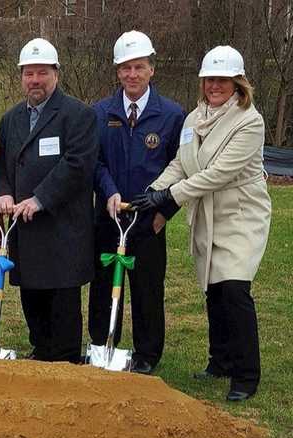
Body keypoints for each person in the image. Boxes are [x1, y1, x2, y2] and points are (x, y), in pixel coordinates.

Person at [133, 46, 271, 401]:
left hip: (240, 212)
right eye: (209, 79)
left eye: (222, 80)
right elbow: (182, 163)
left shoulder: (249, 121)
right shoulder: (195, 118)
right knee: (214, 287)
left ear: (238, 83)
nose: (214, 86)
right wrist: (151, 191)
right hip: (207, 212)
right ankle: (220, 360)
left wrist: (169, 197)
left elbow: (219, 173)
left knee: (234, 287)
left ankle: (245, 375)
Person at [0, 38, 98, 363]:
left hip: (63, 225)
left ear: (56, 73)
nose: (34, 80)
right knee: (32, 293)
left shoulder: (78, 115)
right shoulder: (11, 119)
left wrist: (40, 199)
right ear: (21, 76)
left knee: (62, 294)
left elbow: (77, 165)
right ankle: (41, 352)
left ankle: (66, 358)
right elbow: (3, 165)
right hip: (25, 227)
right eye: (28, 74)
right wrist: (4, 191)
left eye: (41, 73)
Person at [88, 31, 185, 374]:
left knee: (147, 290)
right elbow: (95, 161)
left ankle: (146, 354)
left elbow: (183, 167)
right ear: (117, 71)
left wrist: (164, 212)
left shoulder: (172, 115)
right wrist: (110, 192)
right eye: (125, 68)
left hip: (147, 222)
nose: (132, 74)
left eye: (139, 67)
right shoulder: (101, 112)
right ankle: (101, 345)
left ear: (151, 69)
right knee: (102, 286)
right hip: (109, 216)